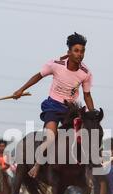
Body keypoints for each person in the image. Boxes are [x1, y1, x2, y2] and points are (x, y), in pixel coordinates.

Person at [12, 32, 95, 179]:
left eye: (82, 51)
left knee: (84, 137)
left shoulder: (85, 73)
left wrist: (92, 113)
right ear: (69, 52)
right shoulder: (56, 65)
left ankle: (86, 171)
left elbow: (87, 95)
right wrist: (21, 90)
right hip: (53, 107)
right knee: (50, 137)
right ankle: (38, 165)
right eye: (76, 51)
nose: (79, 54)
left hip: (71, 110)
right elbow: (38, 76)